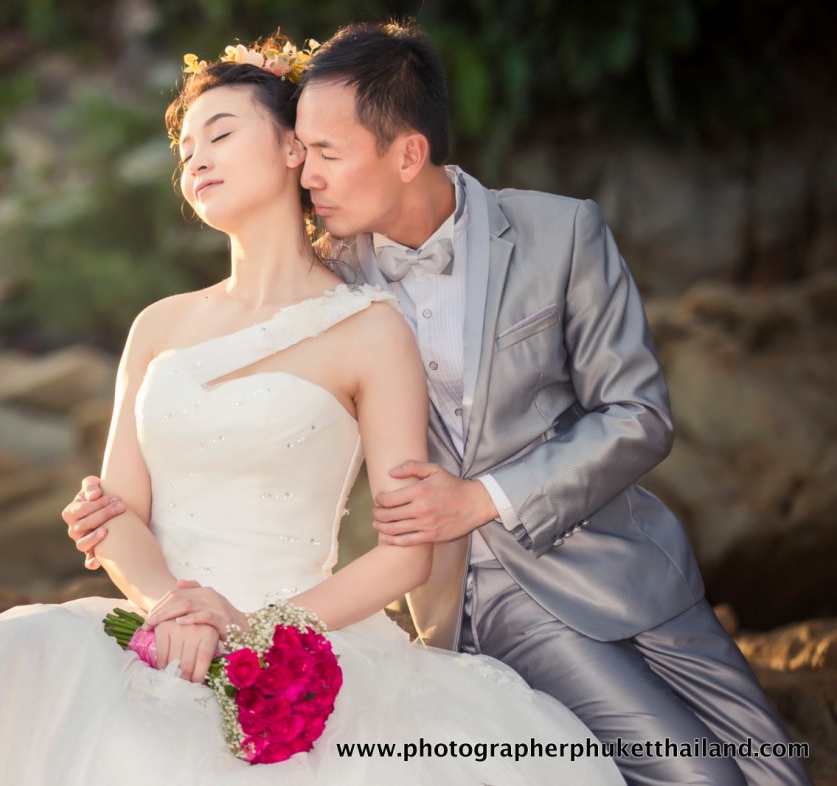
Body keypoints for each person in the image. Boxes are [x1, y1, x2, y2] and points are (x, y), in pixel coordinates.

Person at [0, 35, 625, 785]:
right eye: (184, 150)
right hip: (162, 620)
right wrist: (177, 609)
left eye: (218, 134)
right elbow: (116, 511)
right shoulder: (159, 325)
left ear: (292, 150)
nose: (194, 160)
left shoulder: (368, 327)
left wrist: (251, 627)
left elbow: (404, 555)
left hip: (293, 628)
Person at [63, 21, 813, 786]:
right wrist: (121, 513)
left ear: (408, 152)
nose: (308, 173)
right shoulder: (331, 291)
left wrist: (480, 498)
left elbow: (640, 414)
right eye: (301, 148)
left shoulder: (561, 232)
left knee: (778, 771)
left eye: (326, 153)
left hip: (620, 559)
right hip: (480, 593)